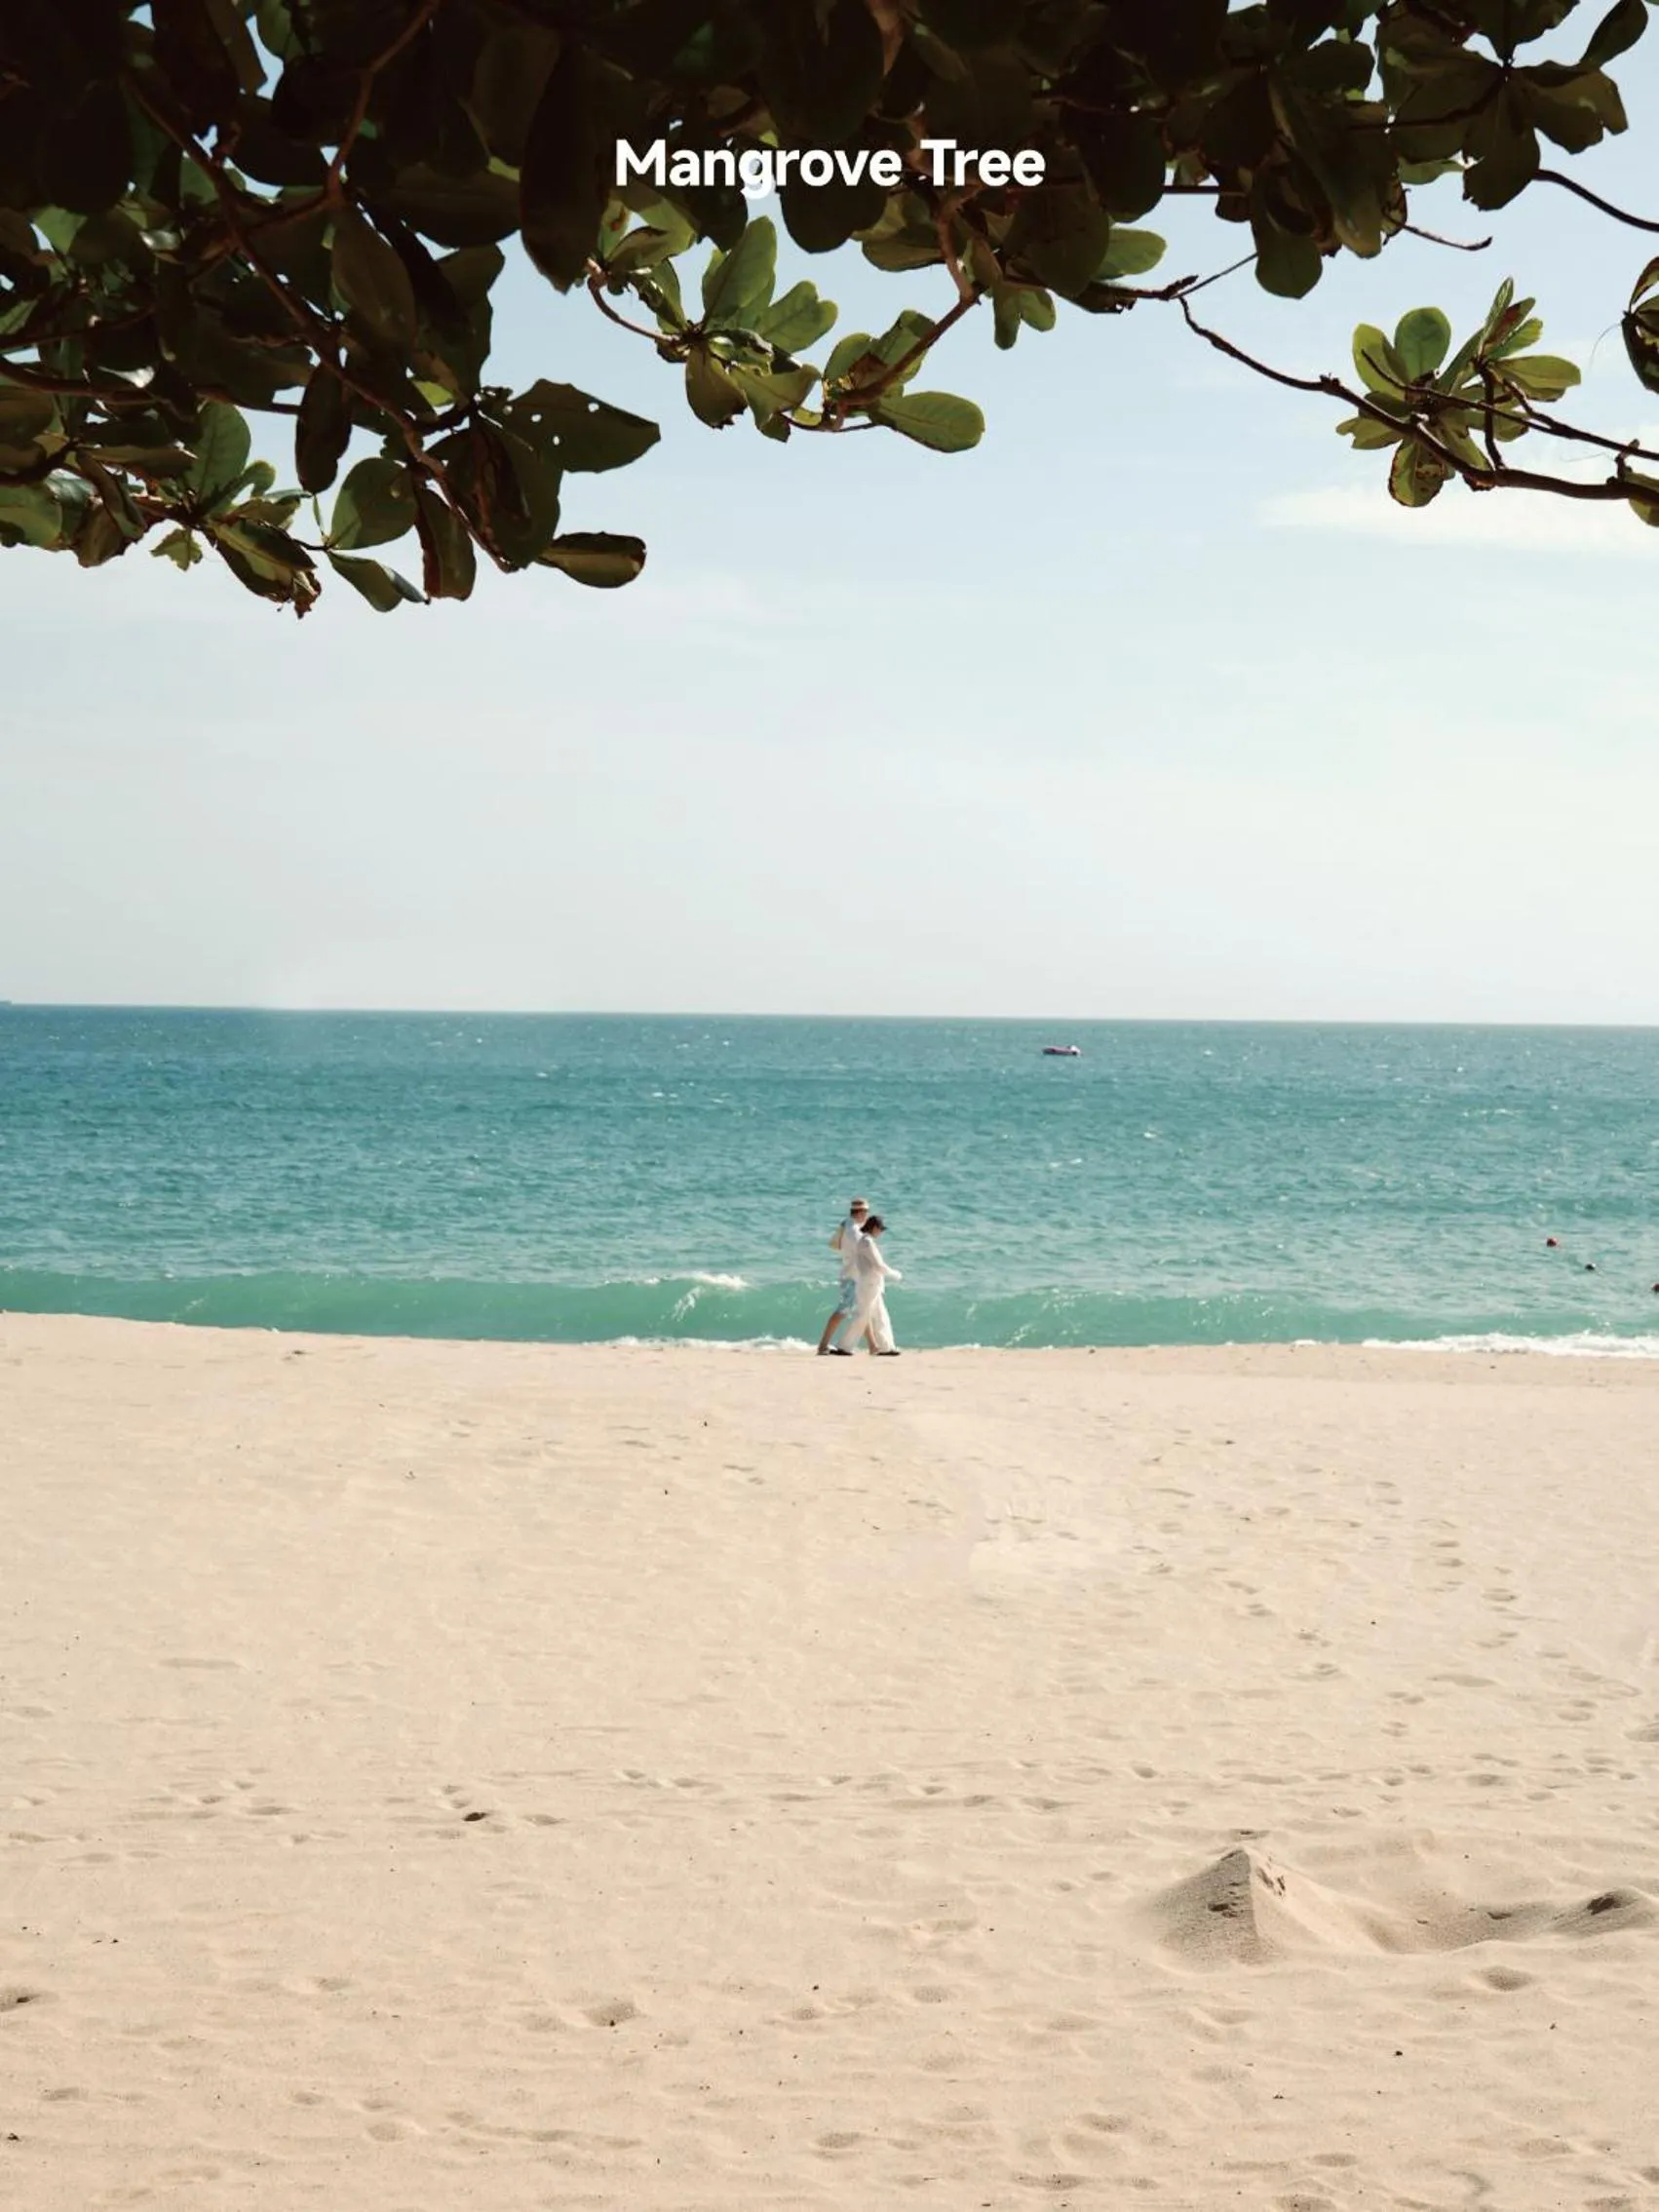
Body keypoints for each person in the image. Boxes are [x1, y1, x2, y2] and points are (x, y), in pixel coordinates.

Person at [829, 1214, 902, 1357]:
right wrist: (894, 1274)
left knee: (880, 1316)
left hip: (871, 1284)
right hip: (869, 1285)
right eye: (880, 1229)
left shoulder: (865, 1241)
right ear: (874, 1228)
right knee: (862, 1317)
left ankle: (887, 1347)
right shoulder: (867, 1242)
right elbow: (878, 1265)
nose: (881, 1232)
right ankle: (844, 1347)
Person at [817, 1196, 870, 1356]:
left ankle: (873, 1346)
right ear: (861, 1213)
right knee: (843, 1311)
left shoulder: (848, 1224)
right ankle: (823, 1345)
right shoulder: (855, 1232)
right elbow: (863, 1252)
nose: (867, 1215)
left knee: (862, 1310)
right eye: (866, 1212)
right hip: (852, 1276)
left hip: (850, 1274)